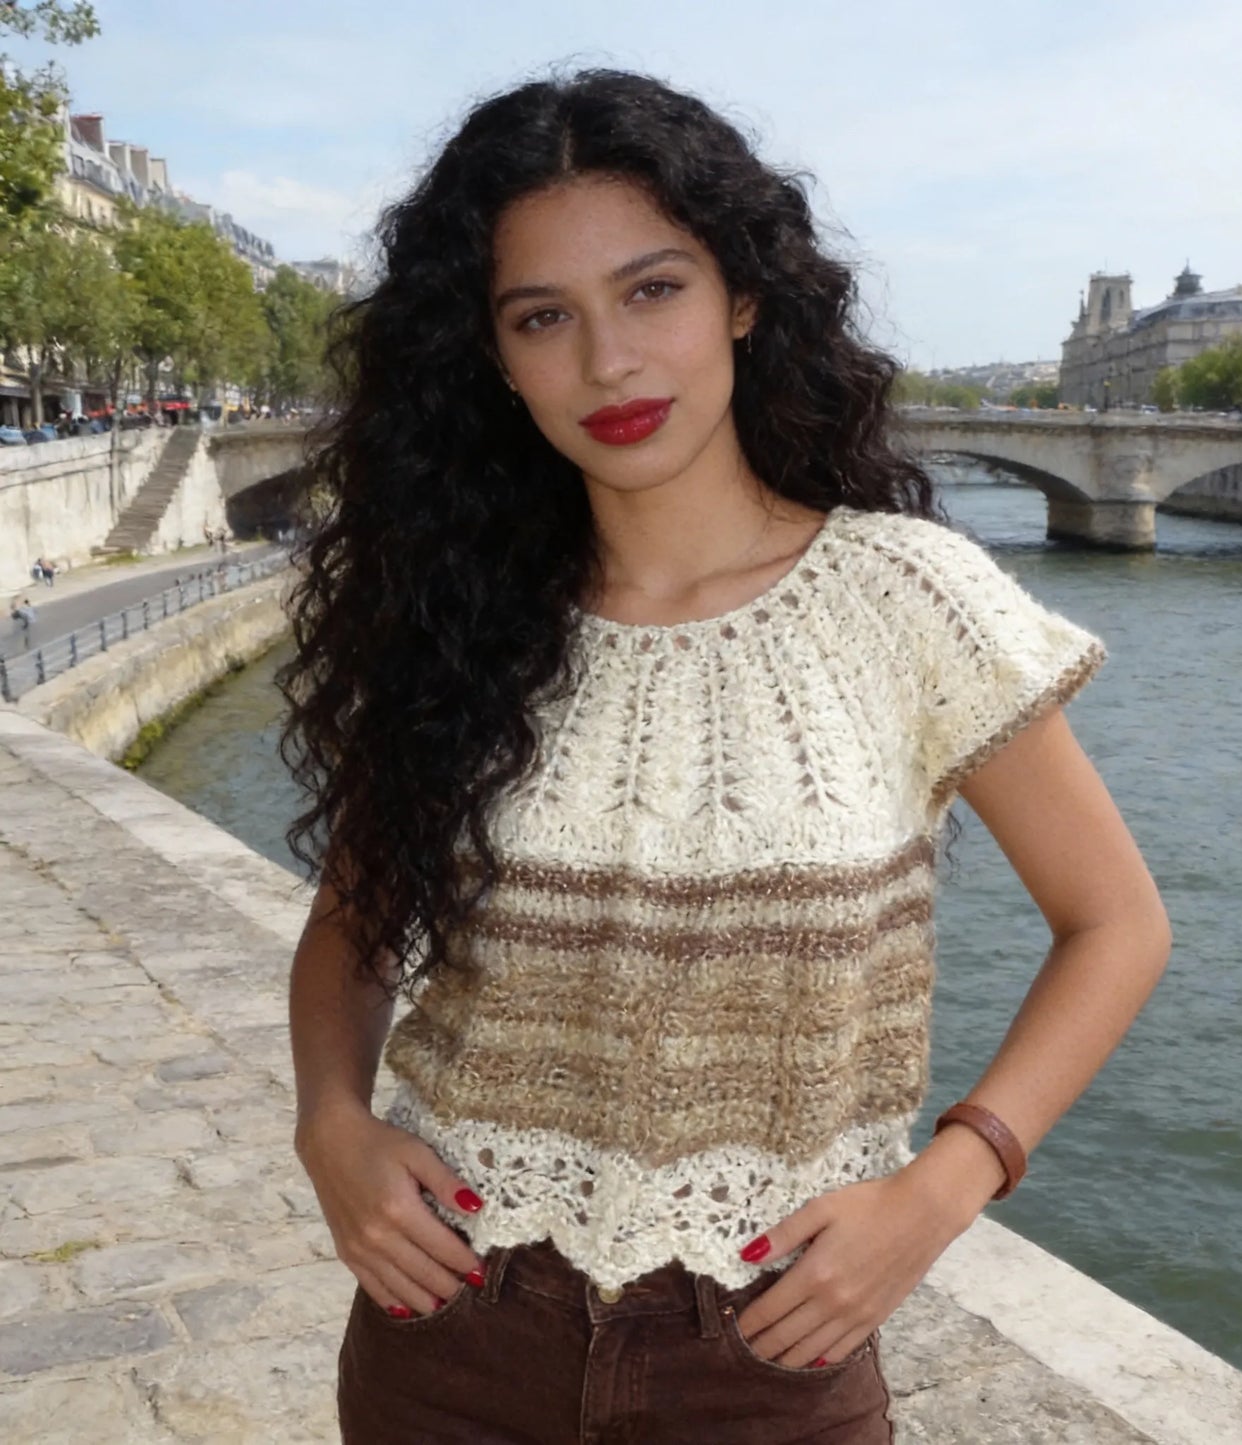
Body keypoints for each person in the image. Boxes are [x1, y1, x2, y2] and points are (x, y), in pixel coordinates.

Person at [279, 68, 1172, 1444]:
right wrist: (331, 1123)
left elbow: (1114, 921)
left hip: (765, 1353)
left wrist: (940, 1190)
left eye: (653, 290)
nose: (609, 361)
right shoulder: (453, 618)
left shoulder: (908, 597)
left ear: (743, 297)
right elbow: (354, 925)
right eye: (542, 317)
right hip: (445, 1333)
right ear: (494, 355)